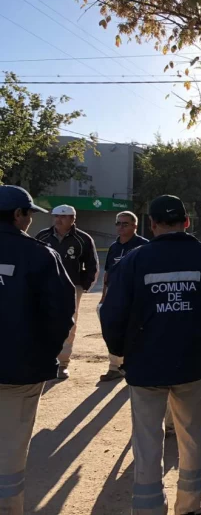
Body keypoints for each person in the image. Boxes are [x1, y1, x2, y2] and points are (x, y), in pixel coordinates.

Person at [100, 195, 201, 515]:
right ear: (187, 222)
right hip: (190, 365)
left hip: (144, 368)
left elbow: (112, 312)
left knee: (147, 440)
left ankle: (148, 507)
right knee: (192, 437)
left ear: (151, 225)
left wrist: (119, 352)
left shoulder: (133, 261)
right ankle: (190, 506)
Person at [0, 186, 76, 515]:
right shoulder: (39, 255)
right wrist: (43, 355)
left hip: (21, 367)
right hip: (21, 371)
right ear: (18, 215)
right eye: (29, 213)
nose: (31, 220)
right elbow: (61, 315)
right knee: (11, 452)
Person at [36, 205, 99, 380]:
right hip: (45, 286)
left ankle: (62, 363)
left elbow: (92, 264)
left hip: (72, 287)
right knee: (43, 320)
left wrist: (83, 286)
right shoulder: (42, 236)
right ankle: (45, 359)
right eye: (55, 216)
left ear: (73, 219)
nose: (58, 220)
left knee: (69, 324)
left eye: (63, 217)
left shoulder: (83, 239)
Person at [99, 211, 149, 382]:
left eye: (125, 224)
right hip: (114, 299)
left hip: (135, 299)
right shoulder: (114, 247)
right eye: (118, 223)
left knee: (134, 333)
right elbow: (107, 273)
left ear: (135, 225)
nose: (120, 227)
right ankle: (114, 367)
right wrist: (104, 297)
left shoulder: (144, 247)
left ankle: (134, 367)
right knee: (112, 331)